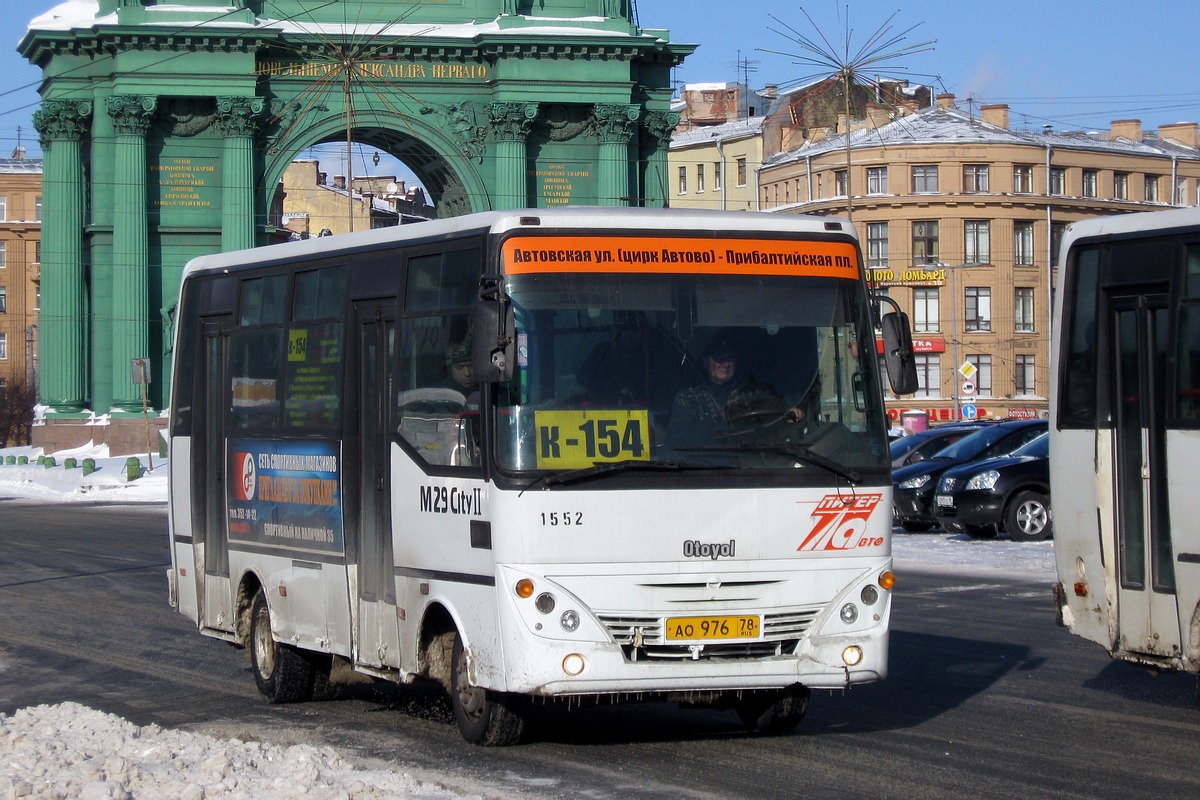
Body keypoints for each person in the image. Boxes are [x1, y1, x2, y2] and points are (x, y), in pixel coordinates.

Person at [667, 336, 787, 448]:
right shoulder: (688, 399)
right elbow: (677, 445)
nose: (726, 365)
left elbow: (777, 407)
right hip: (703, 464)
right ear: (705, 361)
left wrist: (789, 409)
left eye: (730, 359)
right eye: (720, 358)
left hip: (748, 464)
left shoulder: (749, 393)